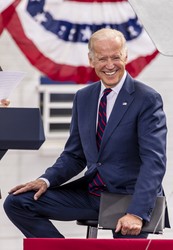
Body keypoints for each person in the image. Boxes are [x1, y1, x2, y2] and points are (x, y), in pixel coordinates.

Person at [3, 28, 168, 238]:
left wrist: (136, 213)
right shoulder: (84, 97)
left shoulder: (147, 99)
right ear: (91, 61)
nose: (110, 65)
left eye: (116, 57)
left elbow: (154, 162)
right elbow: (74, 155)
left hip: (128, 199)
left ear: (125, 56)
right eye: (102, 59)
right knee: (18, 203)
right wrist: (45, 180)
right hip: (93, 194)